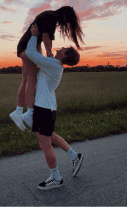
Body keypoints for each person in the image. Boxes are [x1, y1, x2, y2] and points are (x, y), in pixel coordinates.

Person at [24, 23, 84, 190]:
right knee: (50, 136)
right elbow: (47, 53)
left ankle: (56, 178)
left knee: (45, 143)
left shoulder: (53, 65)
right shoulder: (54, 63)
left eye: (64, 48)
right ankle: (74, 156)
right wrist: (44, 38)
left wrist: (34, 35)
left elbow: (30, 53)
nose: (62, 46)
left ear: (64, 56)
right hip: (46, 108)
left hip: (44, 109)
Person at [10, 6, 86, 131]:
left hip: (25, 46)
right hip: (29, 47)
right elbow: (45, 37)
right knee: (32, 81)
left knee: (25, 80)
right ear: (65, 16)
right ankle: (29, 113)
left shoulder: (50, 16)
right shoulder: (51, 17)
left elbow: (47, 38)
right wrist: (49, 54)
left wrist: (47, 52)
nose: (66, 24)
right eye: (67, 21)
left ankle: (18, 111)